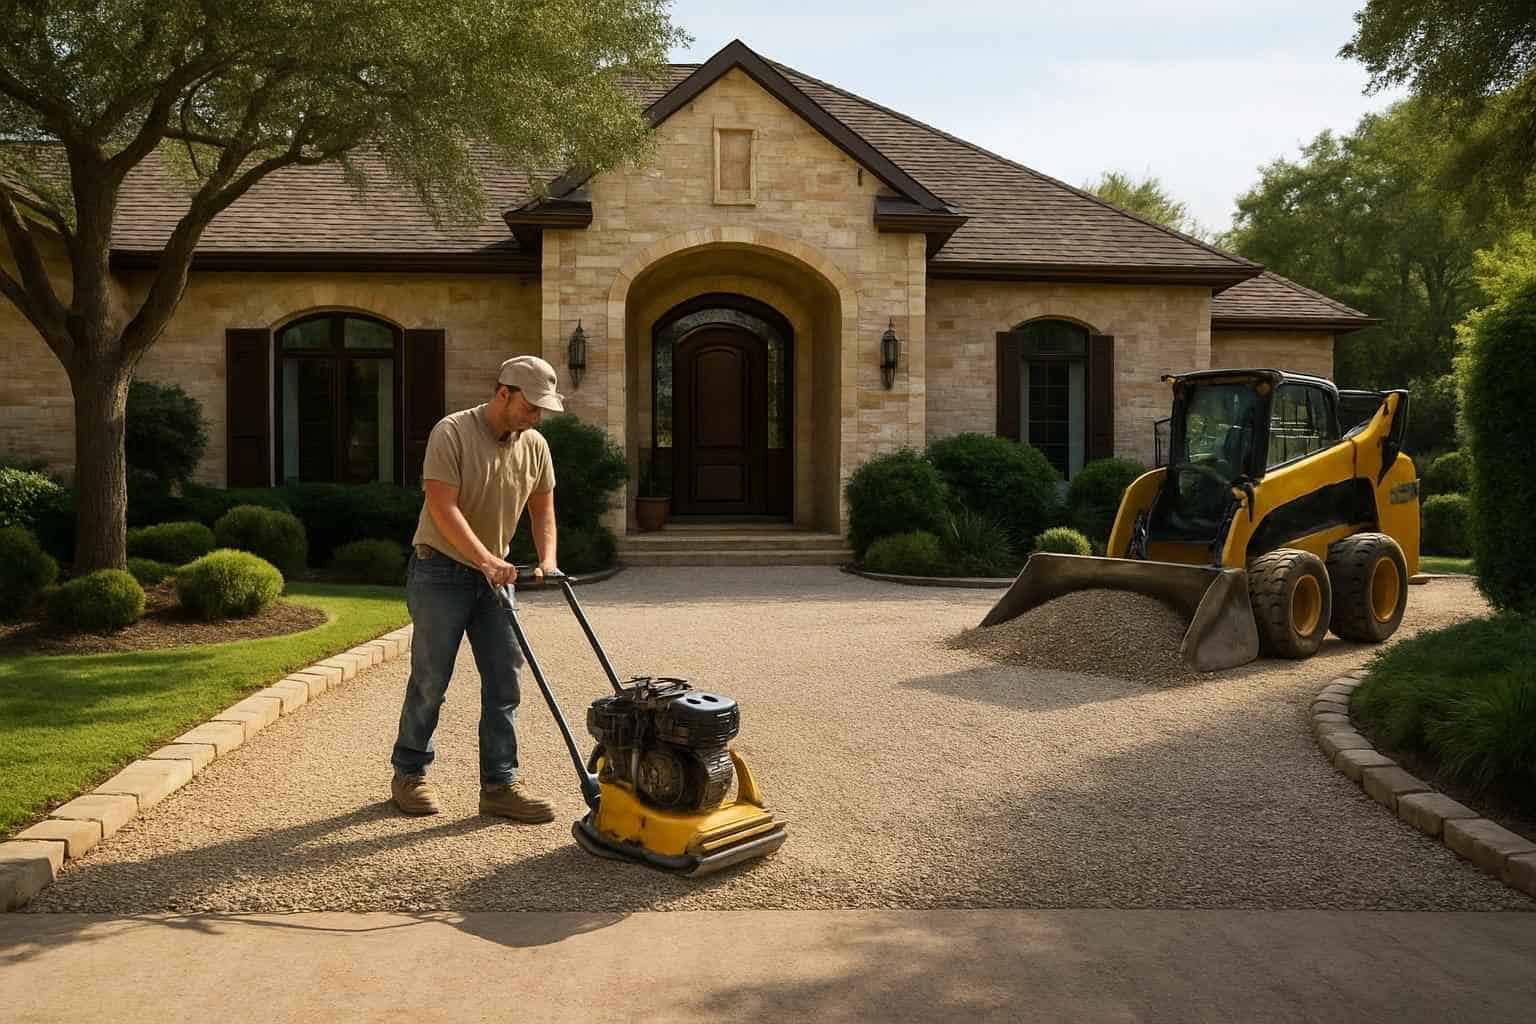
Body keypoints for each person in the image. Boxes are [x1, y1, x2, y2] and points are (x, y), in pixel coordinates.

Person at [389, 355, 563, 821]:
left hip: (494, 579)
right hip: (440, 571)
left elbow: (542, 508)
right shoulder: (452, 432)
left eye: (542, 409)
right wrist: (485, 559)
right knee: (431, 679)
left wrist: (547, 559)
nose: (537, 416)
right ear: (504, 393)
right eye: (532, 406)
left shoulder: (536, 444)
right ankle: (409, 774)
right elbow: (443, 507)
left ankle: (499, 786)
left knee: (506, 681)